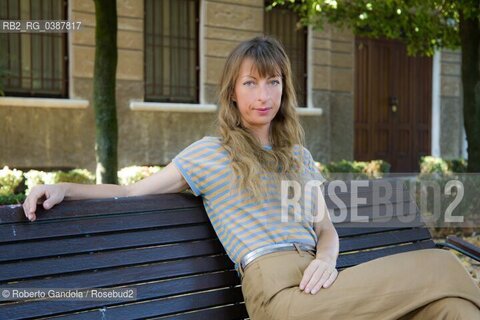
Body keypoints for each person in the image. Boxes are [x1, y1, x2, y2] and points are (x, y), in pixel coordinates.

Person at [23, 36, 480, 319]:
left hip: (325, 285)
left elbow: (324, 228)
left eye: (273, 82)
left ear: (284, 89)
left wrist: (326, 259)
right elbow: (129, 192)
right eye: (250, 83)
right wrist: (64, 186)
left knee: (453, 309)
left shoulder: (298, 156)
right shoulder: (209, 154)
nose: (263, 95)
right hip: (280, 297)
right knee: (442, 263)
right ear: (232, 91)